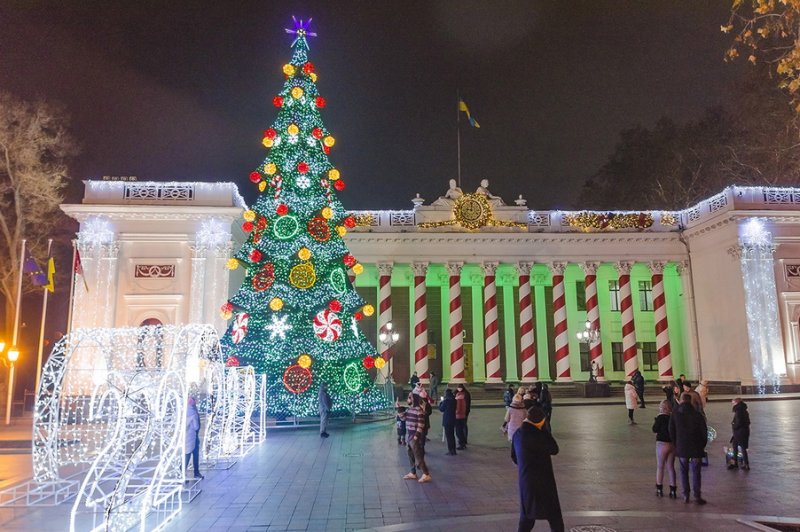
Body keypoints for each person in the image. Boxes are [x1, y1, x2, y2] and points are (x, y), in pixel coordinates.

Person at [511, 406, 565, 532]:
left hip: (526, 481)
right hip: (543, 482)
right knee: (555, 517)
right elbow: (554, 449)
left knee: (527, 517)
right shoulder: (538, 435)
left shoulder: (517, 434)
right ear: (540, 421)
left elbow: (514, 457)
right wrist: (545, 430)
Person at [669, 392, 708, 504]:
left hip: (682, 447)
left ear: (681, 400)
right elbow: (704, 432)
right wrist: (702, 445)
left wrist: (676, 444)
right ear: (690, 401)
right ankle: (697, 495)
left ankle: (686, 495)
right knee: (696, 472)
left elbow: (671, 431)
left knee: (683, 471)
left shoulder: (675, 414)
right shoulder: (697, 414)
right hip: (696, 447)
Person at [403, 393, 431, 483]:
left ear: (414, 400)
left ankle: (426, 474)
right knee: (410, 454)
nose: (408, 400)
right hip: (409, 435)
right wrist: (399, 409)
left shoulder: (419, 411)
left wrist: (416, 436)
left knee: (418, 456)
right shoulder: (409, 409)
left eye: (409, 398)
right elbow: (403, 418)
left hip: (414, 436)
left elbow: (421, 424)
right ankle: (413, 472)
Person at [652, 400, 677, 498]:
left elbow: (654, 429)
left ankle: (659, 488)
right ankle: (673, 490)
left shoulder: (660, 417)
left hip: (661, 444)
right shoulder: (673, 418)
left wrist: (656, 420)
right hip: (671, 444)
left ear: (663, 408)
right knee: (671, 467)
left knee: (660, 466)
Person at [184, 396, 203, 480]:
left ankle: (182, 471)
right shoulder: (193, 412)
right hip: (192, 436)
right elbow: (196, 427)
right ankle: (195, 472)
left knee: (187, 454)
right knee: (193, 454)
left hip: (185, 436)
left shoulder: (184, 411)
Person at [730, 398, 751, 470]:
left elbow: (739, 422)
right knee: (736, 446)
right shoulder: (744, 410)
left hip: (739, 432)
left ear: (736, 403)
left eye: (733, 403)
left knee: (741, 448)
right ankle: (737, 463)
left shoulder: (739, 411)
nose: (732, 404)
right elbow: (748, 422)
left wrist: (734, 425)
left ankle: (745, 464)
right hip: (743, 432)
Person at [439, 389, 457, 455]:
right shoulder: (454, 400)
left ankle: (450, 450)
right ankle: (454, 449)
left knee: (448, 436)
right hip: (453, 419)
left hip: (447, 420)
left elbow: (441, 409)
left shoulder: (446, 401)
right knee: (452, 435)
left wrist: (441, 402)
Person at [455, 384, 469, 450]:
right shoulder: (462, 397)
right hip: (463, 415)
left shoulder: (460, 399)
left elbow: (458, 409)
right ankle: (463, 441)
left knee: (459, 430)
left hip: (460, 416)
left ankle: (462, 442)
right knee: (461, 428)